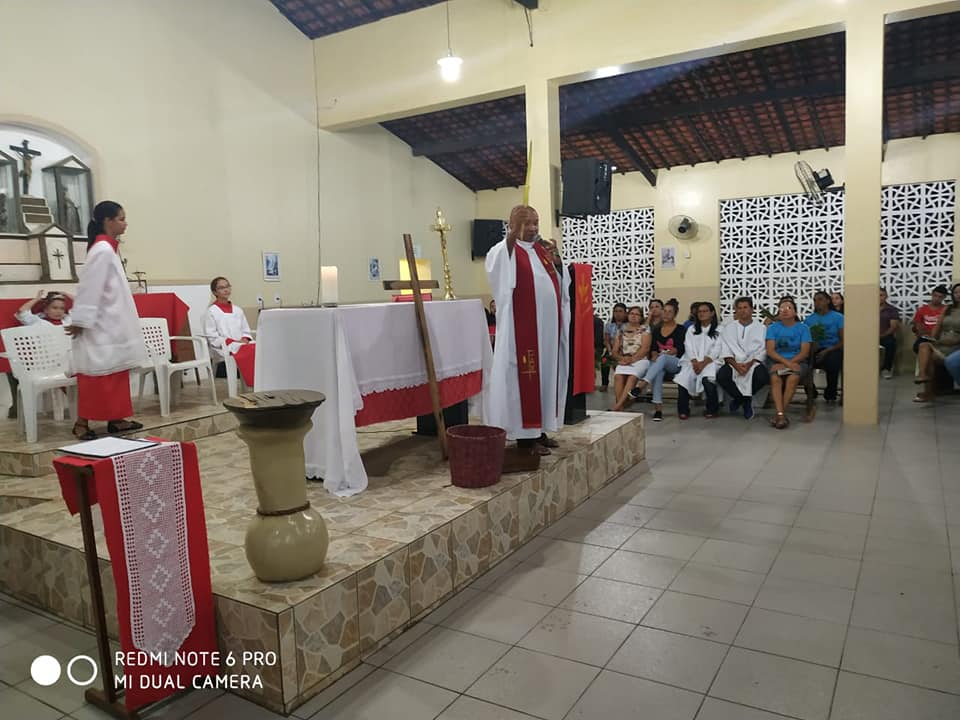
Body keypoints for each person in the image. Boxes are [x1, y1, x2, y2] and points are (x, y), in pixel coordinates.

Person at [484, 205, 569, 462]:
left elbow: (562, 284)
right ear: (512, 224)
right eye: (526, 223)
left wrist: (557, 262)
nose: (533, 228)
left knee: (546, 380)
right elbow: (497, 271)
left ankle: (540, 429)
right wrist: (512, 236)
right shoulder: (503, 250)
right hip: (523, 335)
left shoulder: (542, 251)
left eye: (535, 222)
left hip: (547, 334)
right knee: (524, 381)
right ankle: (524, 437)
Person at [66, 201, 146, 440]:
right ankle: (81, 424)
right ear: (107, 221)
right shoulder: (101, 250)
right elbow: (90, 288)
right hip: (100, 327)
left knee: (116, 375)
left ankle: (116, 419)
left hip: (113, 325)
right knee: (96, 377)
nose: (125, 223)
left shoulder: (109, 249)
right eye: (121, 219)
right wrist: (80, 320)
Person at [5, 290, 73, 419]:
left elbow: (82, 308)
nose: (59, 311)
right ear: (46, 309)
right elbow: (22, 312)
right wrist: (37, 299)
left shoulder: (68, 320)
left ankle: (81, 404)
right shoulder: (38, 322)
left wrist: (66, 294)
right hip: (48, 364)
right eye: (54, 308)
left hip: (68, 361)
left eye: (62, 309)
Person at [717, 296, 769, 420]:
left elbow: (763, 349)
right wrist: (736, 365)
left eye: (745, 307)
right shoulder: (728, 328)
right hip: (734, 362)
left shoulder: (761, 328)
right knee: (722, 376)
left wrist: (750, 364)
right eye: (739, 308)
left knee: (762, 377)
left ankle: (742, 400)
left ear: (752, 309)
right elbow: (725, 348)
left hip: (753, 362)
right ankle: (744, 400)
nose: (742, 310)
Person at [634, 299, 685, 421]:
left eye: (670, 312)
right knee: (658, 370)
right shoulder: (656, 330)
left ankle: (642, 384)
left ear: (675, 314)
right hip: (660, 364)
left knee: (661, 359)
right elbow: (653, 349)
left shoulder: (681, 329)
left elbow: (683, 349)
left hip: (676, 363)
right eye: (665, 311)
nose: (666, 314)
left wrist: (675, 350)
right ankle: (658, 410)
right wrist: (654, 353)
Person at [765, 297, 811, 429]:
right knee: (775, 378)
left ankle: (780, 415)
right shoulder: (773, 328)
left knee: (793, 377)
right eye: (782, 308)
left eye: (789, 308)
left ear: (795, 312)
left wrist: (790, 363)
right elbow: (770, 351)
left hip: (798, 361)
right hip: (776, 361)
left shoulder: (803, 329)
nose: (785, 310)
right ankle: (781, 415)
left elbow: (804, 353)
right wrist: (786, 363)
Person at [205, 277, 255, 387]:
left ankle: (256, 383)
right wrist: (233, 341)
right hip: (224, 345)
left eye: (227, 286)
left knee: (257, 348)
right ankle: (250, 384)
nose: (226, 290)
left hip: (241, 343)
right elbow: (212, 336)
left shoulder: (238, 310)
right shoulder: (212, 311)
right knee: (243, 349)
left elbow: (245, 330)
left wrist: (245, 339)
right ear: (214, 292)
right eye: (221, 288)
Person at [674, 301, 722, 419]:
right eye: (699, 311)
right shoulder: (691, 329)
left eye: (705, 311)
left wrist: (704, 363)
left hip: (712, 361)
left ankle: (712, 409)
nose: (702, 313)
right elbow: (688, 346)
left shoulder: (720, 329)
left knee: (707, 380)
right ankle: (683, 410)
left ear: (712, 313)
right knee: (683, 379)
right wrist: (695, 362)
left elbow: (718, 348)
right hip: (692, 361)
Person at [914, 282, 960, 403]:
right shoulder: (947, 308)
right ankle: (923, 376)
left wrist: (956, 340)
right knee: (924, 346)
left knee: (927, 353)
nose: (958, 294)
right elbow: (938, 325)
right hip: (942, 343)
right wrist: (933, 339)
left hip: (957, 347)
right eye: (956, 292)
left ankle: (928, 392)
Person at [805, 291, 845, 405]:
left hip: (833, 348)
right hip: (815, 348)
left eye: (820, 299)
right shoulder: (809, 320)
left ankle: (831, 393)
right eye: (815, 300)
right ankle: (811, 391)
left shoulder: (838, 317)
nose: (817, 302)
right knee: (803, 361)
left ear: (828, 301)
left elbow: (843, 340)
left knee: (832, 361)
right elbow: (806, 339)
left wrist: (827, 350)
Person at [611, 307, 651, 411]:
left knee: (632, 377)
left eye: (637, 314)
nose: (633, 316)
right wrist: (622, 358)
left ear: (641, 317)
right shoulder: (621, 331)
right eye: (631, 313)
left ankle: (617, 406)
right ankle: (621, 406)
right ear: (628, 316)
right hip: (624, 360)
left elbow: (645, 349)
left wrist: (632, 359)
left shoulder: (645, 330)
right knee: (618, 376)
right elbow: (614, 351)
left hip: (640, 360)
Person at [911, 285, 948, 354]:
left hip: (941, 337)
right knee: (918, 347)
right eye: (935, 296)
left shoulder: (946, 309)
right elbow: (917, 325)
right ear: (932, 294)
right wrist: (922, 333)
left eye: (940, 297)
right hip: (926, 337)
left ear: (944, 297)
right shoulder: (922, 309)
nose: (936, 298)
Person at [600, 303, 627, 392]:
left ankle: (623, 383)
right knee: (604, 360)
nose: (618, 314)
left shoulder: (628, 325)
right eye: (615, 311)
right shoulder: (609, 325)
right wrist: (610, 351)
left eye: (620, 311)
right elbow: (606, 340)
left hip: (624, 350)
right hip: (611, 349)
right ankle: (604, 384)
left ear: (625, 313)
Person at [878, 288, 901, 379]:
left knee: (891, 344)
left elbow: (893, 327)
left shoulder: (892, 310)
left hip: (885, 336)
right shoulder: (867, 309)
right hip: (868, 336)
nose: (879, 297)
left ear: (886, 296)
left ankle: (886, 369)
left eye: (881, 295)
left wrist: (881, 335)